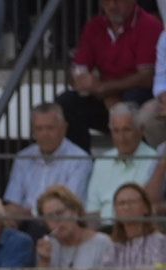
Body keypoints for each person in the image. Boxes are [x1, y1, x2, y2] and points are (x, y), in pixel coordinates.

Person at [55, 0, 160, 154]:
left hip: (136, 96)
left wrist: (104, 88)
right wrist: (80, 79)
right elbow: (77, 68)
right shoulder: (95, 26)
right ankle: (81, 163)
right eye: (106, 1)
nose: (111, 6)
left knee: (134, 98)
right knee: (66, 102)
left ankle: (140, 163)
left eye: (117, 1)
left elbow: (147, 77)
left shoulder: (149, 25)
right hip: (106, 98)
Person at [4, 103, 93, 224]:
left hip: (60, 224)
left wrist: (29, 214)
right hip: (23, 223)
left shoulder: (80, 159)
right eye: (39, 129)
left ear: (64, 128)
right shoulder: (23, 158)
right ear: (33, 132)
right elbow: (13, 202)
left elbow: (70, 205)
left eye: (50, 128)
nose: (44, 134)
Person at [89, 102, 159, 224]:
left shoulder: (154, 161)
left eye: (127, 130)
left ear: (141, 130)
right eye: (116, 131)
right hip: (105, 233)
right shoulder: (102, 161)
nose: (121, 138)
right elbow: (92, 211)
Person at [36, 184, 114, 269]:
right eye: (50, 217)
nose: (56, 220)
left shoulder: (101, 243)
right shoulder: (47, 247)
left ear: (75, 211)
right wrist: (44, 261)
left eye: (60, 213)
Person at [100, 180, 166, 266]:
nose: (126, 207)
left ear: (146, 208)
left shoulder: (160, 243)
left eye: (132, 202)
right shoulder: (112, 248)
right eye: (121, 203)